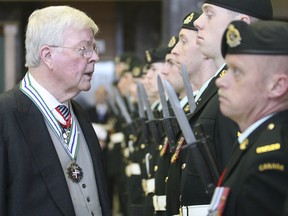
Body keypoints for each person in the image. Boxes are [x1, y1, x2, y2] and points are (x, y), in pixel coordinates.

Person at [0, 5, 111, 216]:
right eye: (84, 49)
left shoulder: (80, 114)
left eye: (94, 48)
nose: (95, 57)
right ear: (47, 55)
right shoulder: (4, 117)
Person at [213, 20, 288, 216]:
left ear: (277, 86)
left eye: (236, 71)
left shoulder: (270, 159)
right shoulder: (254, 142)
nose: (221, 81)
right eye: (227, 69)